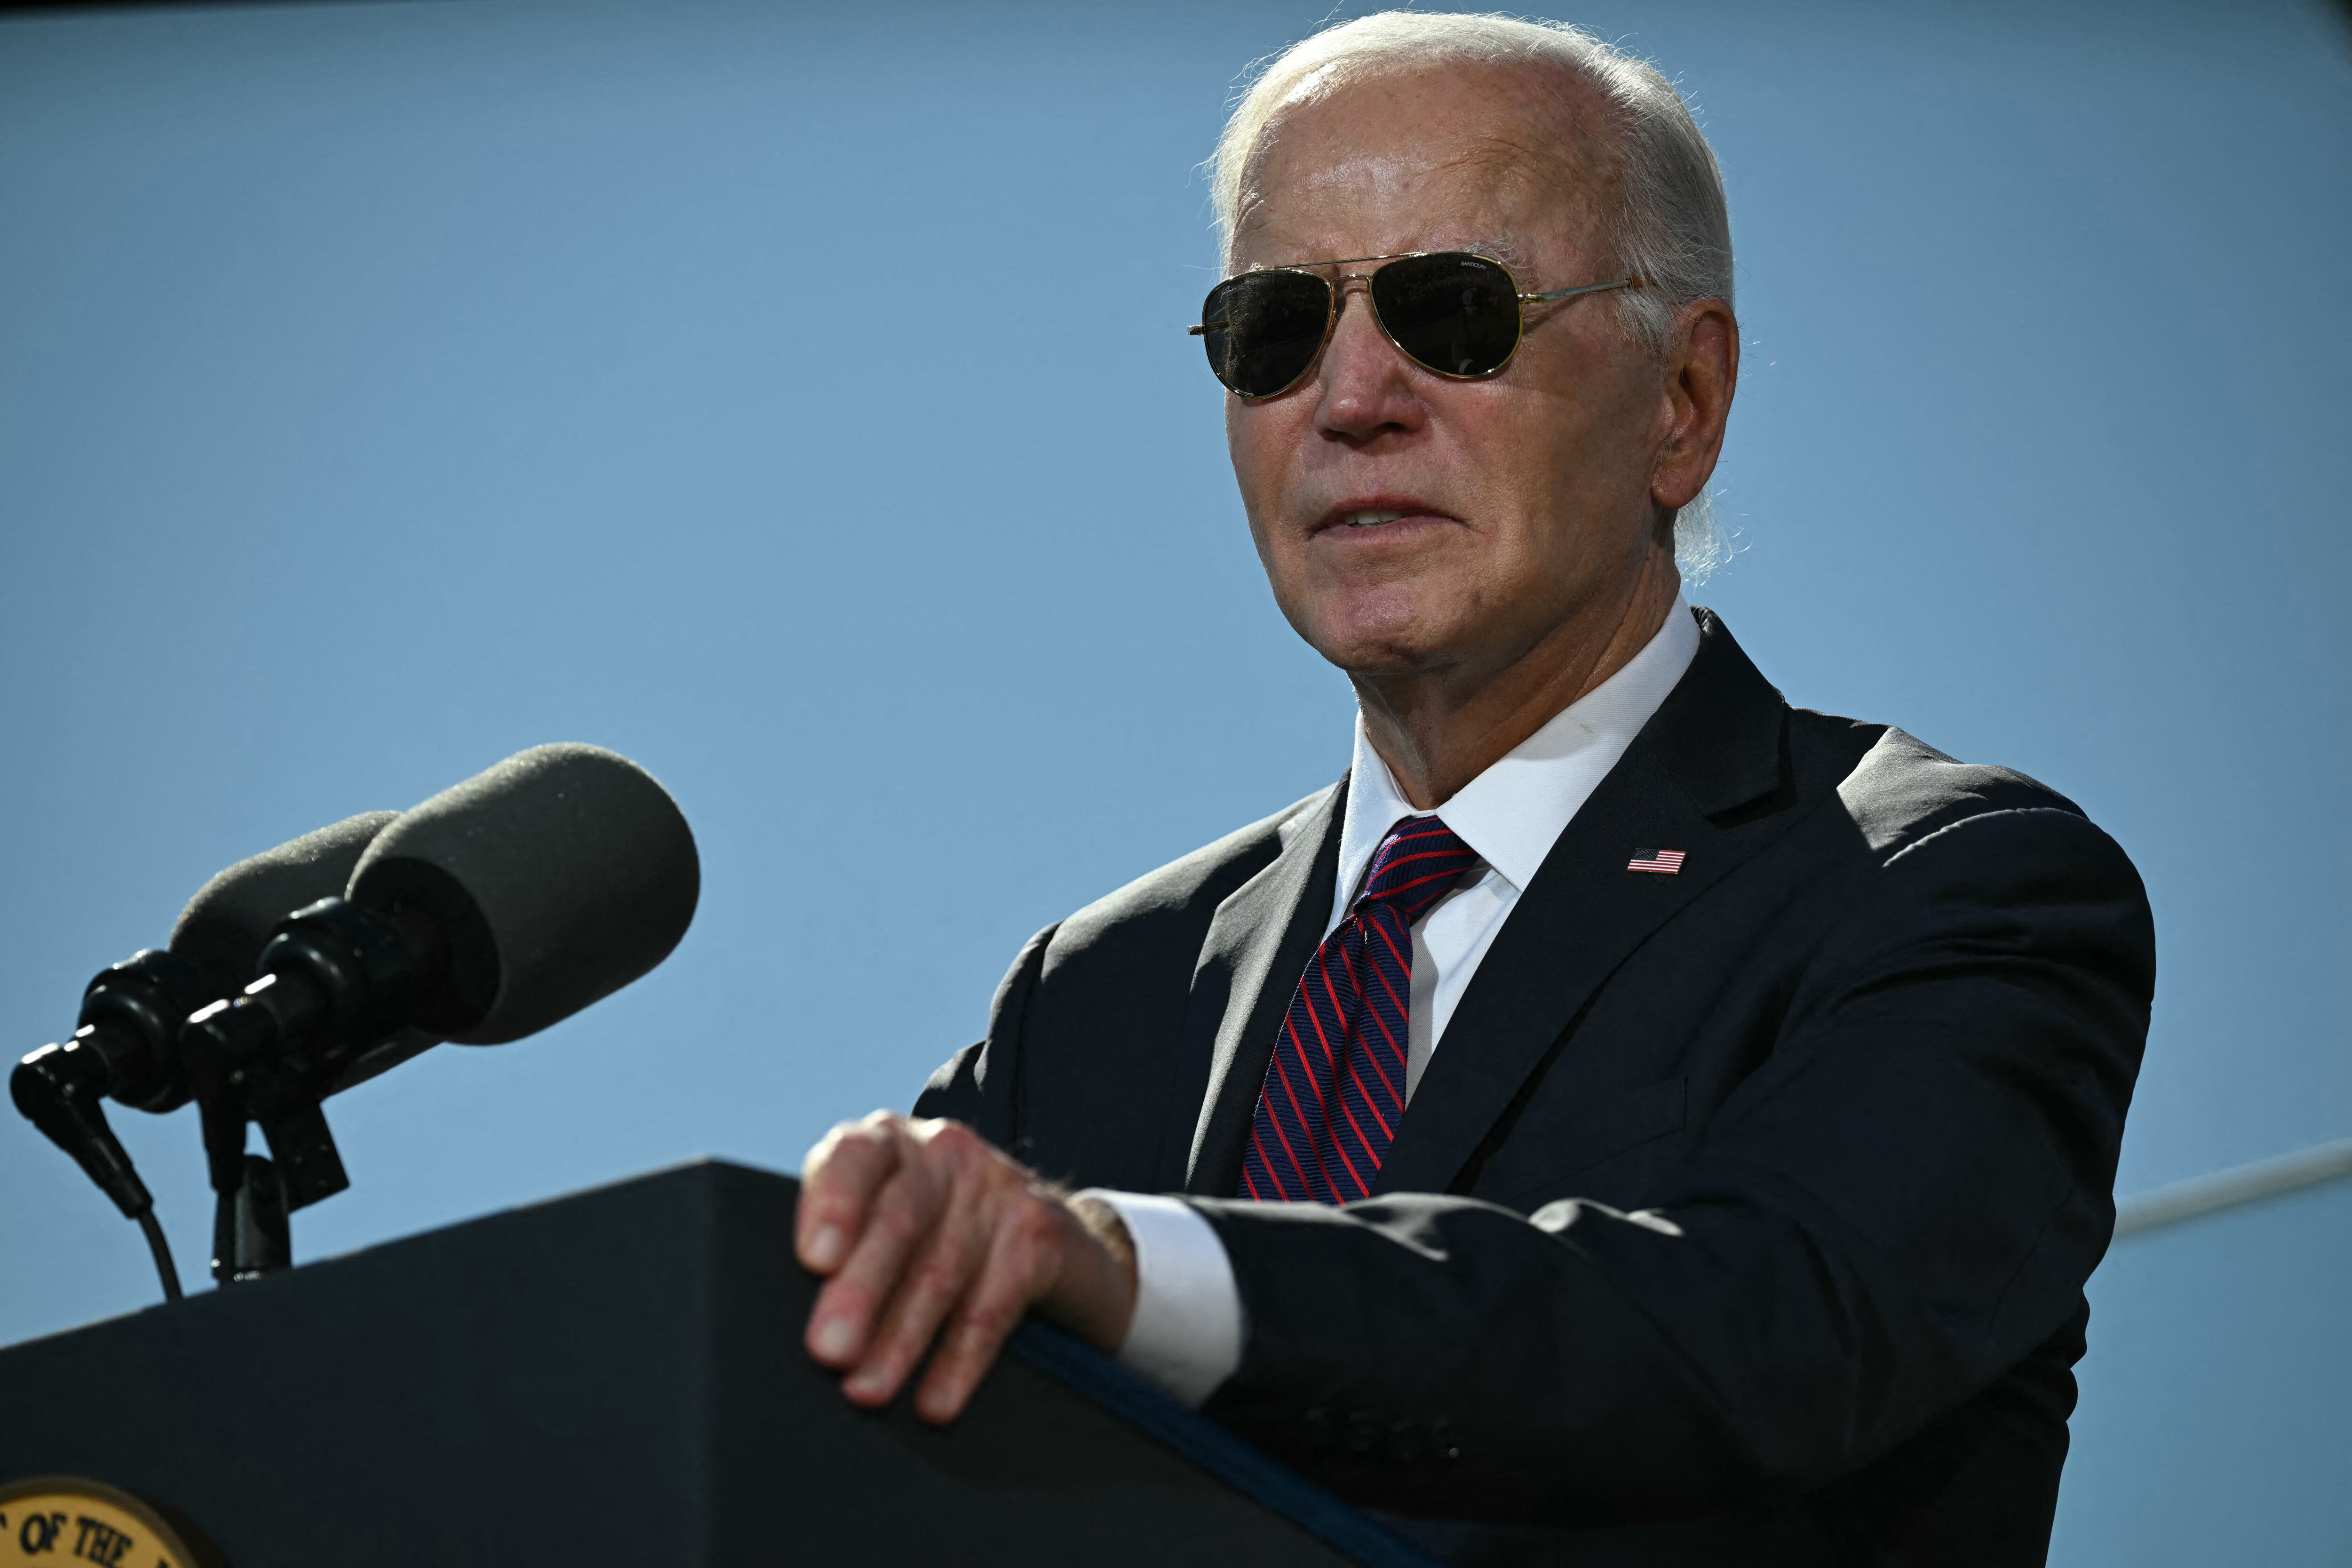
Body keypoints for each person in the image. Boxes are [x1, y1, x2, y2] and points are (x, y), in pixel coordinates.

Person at [788, 13, 2154, 1563]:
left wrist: (1131, 1271)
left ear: (1683, 398)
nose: (1351, 396)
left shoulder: (1944, 888)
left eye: (1454, 312)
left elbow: (1745, 1330)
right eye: (1276, 329)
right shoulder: (1098, 997)